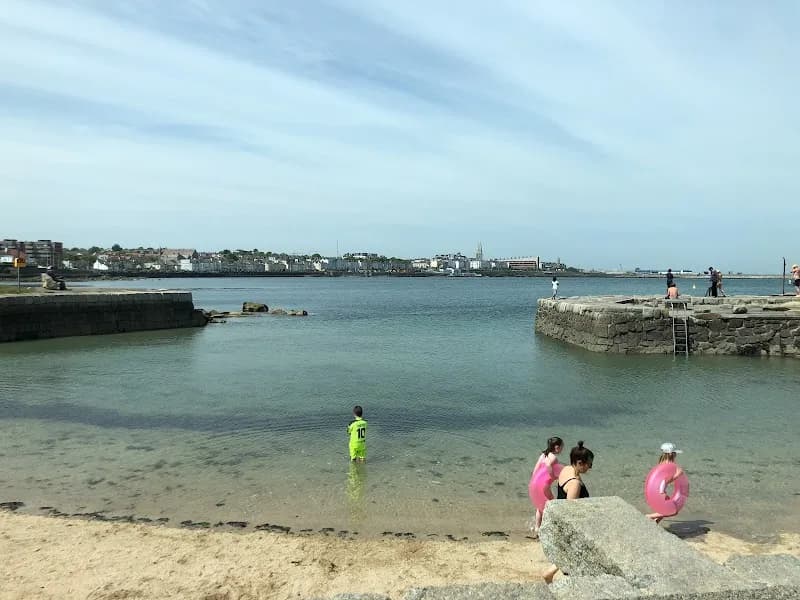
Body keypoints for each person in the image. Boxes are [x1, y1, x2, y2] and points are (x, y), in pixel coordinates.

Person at [542, 441, 594, 584]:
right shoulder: (575, 483)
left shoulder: (566, 469)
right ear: (579, 462)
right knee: (574, 556)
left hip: (562, 521)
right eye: (589, 464)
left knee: (567, 554)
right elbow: (570, 510)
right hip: (571, 526)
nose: (590, 467)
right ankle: (552, 575)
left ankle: (550, 573)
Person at [531, 436, 564, 535]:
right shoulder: (553, 457)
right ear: (557, 447)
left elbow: (536, 469)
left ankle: (537, 527)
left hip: (537, 483)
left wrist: (534, 480)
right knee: (551, 502)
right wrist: (553, 476)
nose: (562, 449)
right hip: (544, 485)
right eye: (562, 447)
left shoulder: (543, 455)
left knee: (540, 505)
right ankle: (547, 525)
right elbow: (548, 465)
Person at [646, 442, 684, 523]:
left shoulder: (661, 464)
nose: (676, 455)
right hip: (661, 492)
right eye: (675, 453)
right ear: (671, 454)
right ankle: (649, 516)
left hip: (656, 491)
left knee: (663, 510)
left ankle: (655, 523)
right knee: (673, 511)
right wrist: (677, 475)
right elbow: (665, 480)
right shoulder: (668, 465)